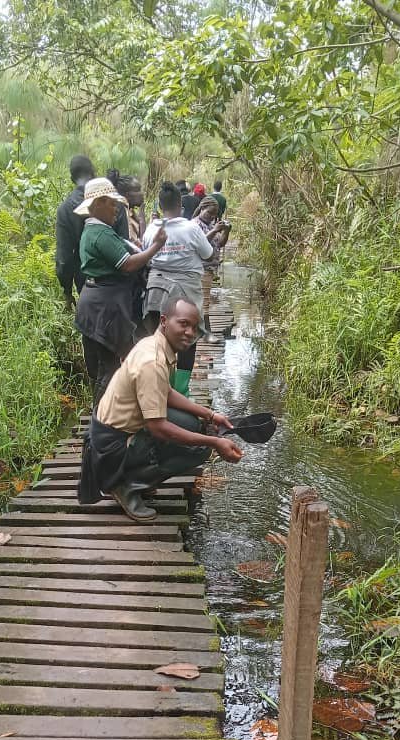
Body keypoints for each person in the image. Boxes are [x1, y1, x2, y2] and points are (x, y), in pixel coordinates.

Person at [79, 298, 243, 521]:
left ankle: (138, 476)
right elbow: (158, 428)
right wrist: (214, 442)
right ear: (164, 321)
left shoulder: (155, 344)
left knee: (194, 423)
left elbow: (164, 391)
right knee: (200, 449)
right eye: (183, 324)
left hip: (114, 434)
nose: (189, 332)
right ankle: (124, 485)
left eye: (194, 328)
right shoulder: (152, 361)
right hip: (110, 448)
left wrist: (210, 414)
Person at [74, 177, 166, 404]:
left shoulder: (95, 231)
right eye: (112, 204)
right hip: (104, 307)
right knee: (109, 367)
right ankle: (101, 424)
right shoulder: (101, 234)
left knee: (103, 366)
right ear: (98, 204)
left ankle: (101, 421)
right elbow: (128, 264)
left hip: (96, 302)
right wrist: (156, 246)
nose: (116, 209)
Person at [141, 180, 216, 394]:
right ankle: (181, 391)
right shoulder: (191, 229)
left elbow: (146, 257)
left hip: (156, 293)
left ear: (160, 205)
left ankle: (159, 387)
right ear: (180, 204)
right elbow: (208, 254)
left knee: (159, 340)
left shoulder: (150, 230)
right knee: (188, 340)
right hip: (186, 293)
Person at [55, 155, 129, 308]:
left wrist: (67, 292)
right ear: (94, 172)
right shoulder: (114, 203)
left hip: (88, 287)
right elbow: (124, 243)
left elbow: (64, 260)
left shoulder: (65, 210)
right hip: (119, 288)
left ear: (71, 178)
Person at [193, 196, 231, 344]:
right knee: (204, 303)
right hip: (199, 268)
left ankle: (201, 332)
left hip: (209, 269)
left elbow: (219, 244)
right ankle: (206, 333)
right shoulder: (195, 225)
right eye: (209, 213)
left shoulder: (211, 224)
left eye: (214, 215)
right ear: (202, 209)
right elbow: (199, 243)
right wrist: (215, 230)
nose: (212, 217)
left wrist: (225, 231)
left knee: (203, 302)